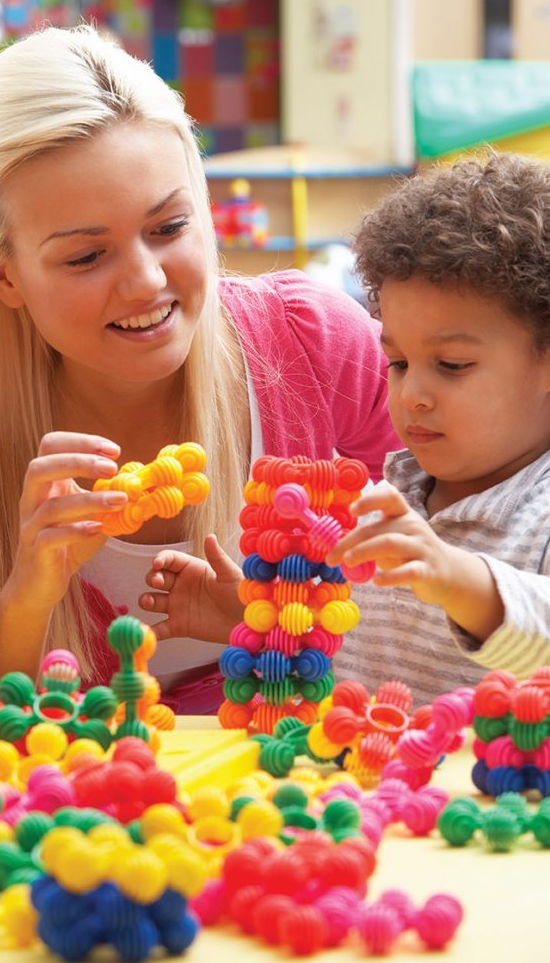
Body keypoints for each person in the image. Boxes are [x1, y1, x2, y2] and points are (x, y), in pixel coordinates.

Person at [0, 25, 399, 709]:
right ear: (5, 279)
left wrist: (271, 624)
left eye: (169, 228)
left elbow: (440, 620)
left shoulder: (313, 341)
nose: (146, 282)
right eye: (87, 257)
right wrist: (31, 589)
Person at [154, 153, 550, 706]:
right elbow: (347, 656)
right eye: (399, 363)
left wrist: (459, 579)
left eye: (453, 365)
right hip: (365, 787)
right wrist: (264, 622)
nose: (413, 393)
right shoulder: (378, 506)